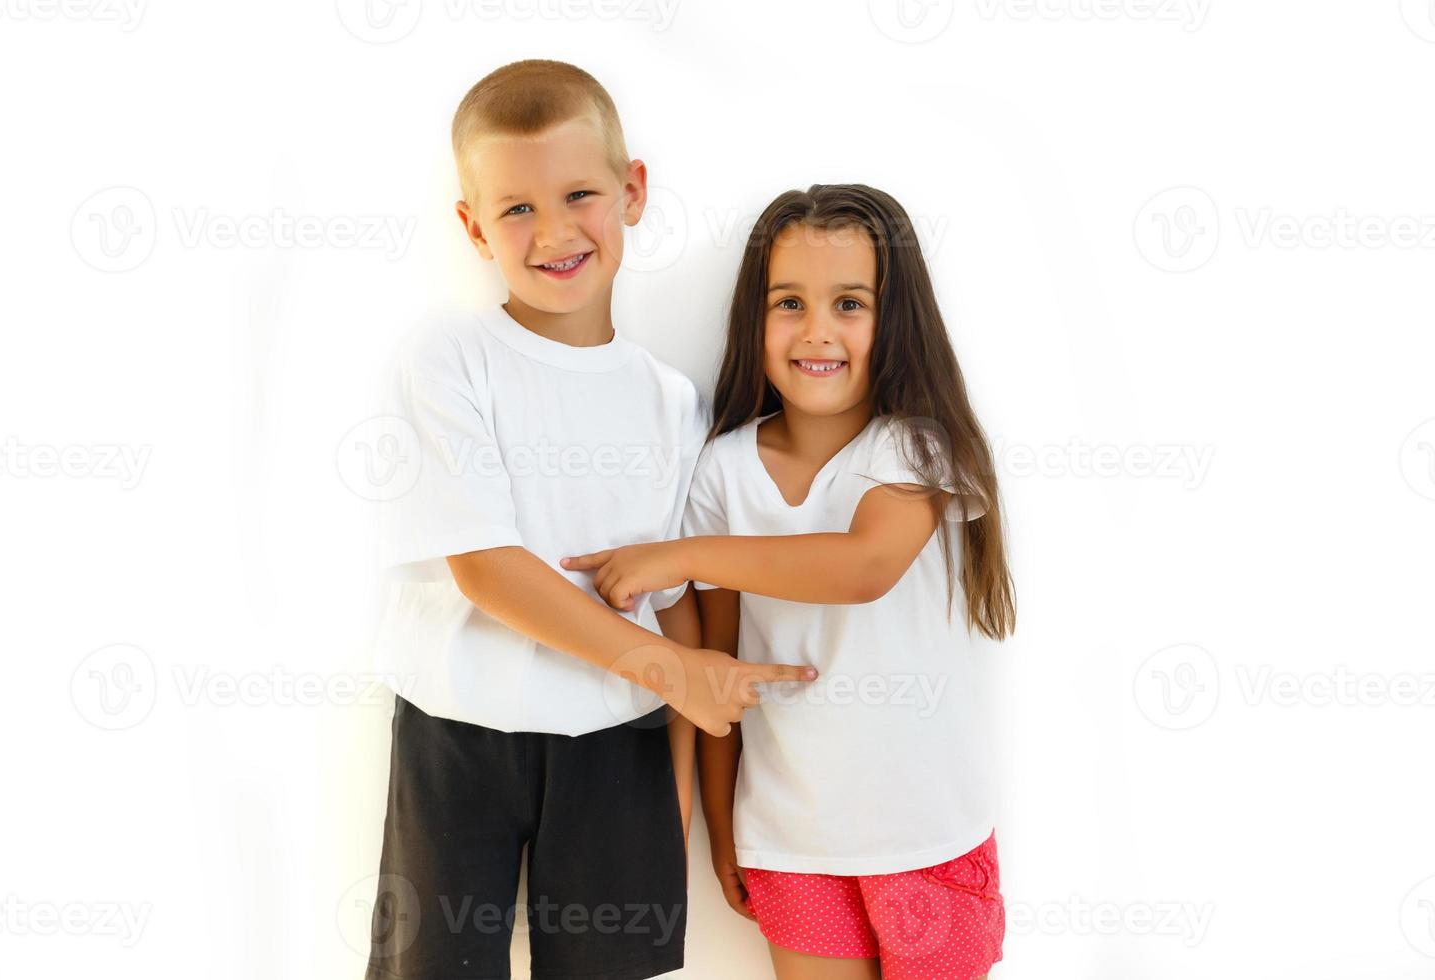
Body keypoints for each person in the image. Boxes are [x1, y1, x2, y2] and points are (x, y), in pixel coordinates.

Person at [363, 60, 816, 980]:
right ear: (471, 225)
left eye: (579, 194)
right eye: (516, 208)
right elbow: (487, 569)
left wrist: (676, 806)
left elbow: (680, 602)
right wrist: (667, 666)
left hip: (625, 749)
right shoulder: (450, 358)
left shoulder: (670, 402)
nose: (554, 231)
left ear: (632, 191)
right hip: (460, 733)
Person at [564, 183, 1016, 980]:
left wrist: (683, 555)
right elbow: (718, 677)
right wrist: (722, 825)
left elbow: (864, 567)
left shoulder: (914, 447)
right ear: (757, 316)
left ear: (895, 319)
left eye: (849, 303)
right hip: (790, 841)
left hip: (928, 835)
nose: (817, 331)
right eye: (788, 302)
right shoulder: (726, 468)